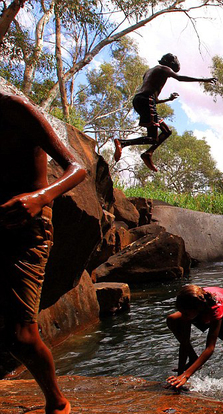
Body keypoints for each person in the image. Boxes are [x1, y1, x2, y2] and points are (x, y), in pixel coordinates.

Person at [0, 91, 88, 414]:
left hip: (30, 227)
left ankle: (58, 401)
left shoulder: (15, 109)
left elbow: (77, 167)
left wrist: (38, 199)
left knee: (21, 336)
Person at [113, 53, 216, 172]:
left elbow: (155, 100)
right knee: (152, 138)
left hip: (140, 100)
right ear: (170, 62)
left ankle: (148, 153)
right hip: (146, 100)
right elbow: (180, 78)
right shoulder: (164, 68)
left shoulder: (149, 72)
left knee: (167, 131)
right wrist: (204, 80)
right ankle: (122, 143)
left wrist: (169, 99)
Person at [166, 285, 223, 389]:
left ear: (197, 309)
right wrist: (179, 377)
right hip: (204, 311)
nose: (183, 315)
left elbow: (210, 348)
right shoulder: (195, 302)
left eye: (185, 313)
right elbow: (184, 343)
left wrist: (186, 375)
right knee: (172, 319)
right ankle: (193, 358)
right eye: (181, 312)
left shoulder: (215, 307)